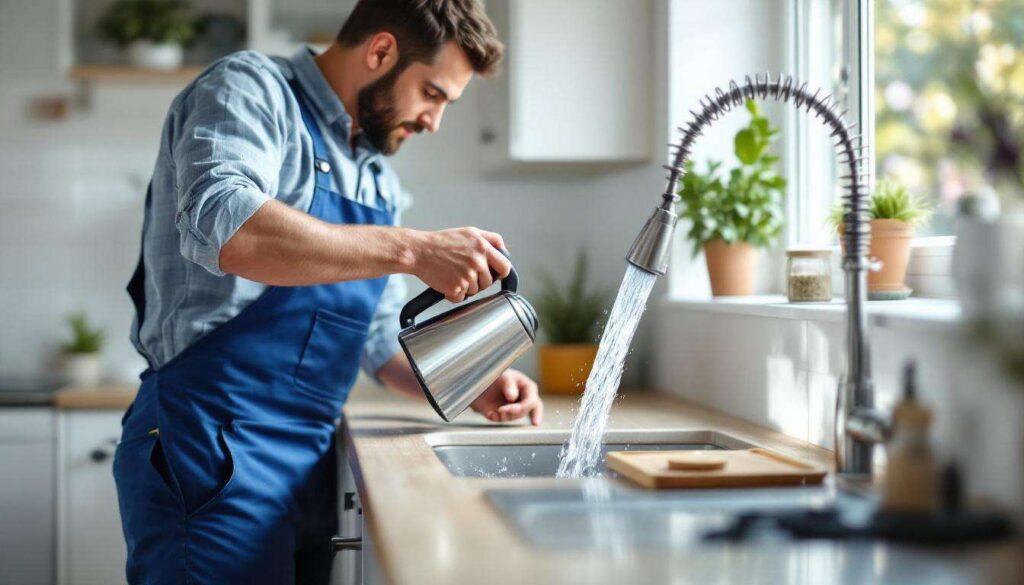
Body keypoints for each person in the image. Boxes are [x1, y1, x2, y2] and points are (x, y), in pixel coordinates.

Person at [114, 1, 543, 582]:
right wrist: (413, 249)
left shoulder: (375, 179)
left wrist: (472, 381)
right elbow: (226, 225)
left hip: (308, 468)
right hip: (209, 450)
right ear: (382, 51)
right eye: (433, 94)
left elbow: (375, 338)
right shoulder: (250, 88)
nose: (433, 121)